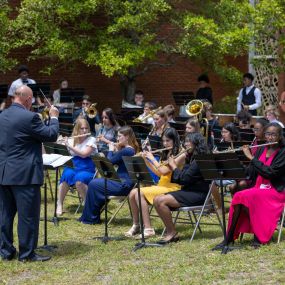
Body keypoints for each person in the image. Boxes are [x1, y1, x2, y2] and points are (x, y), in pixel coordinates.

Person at [0, 85, 59, 262]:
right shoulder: (30, 117)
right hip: (25, 174)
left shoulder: (2, 116)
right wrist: (54, 118)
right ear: (27, 99)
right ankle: (27, 254)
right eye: (31, 100)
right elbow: (50, 135)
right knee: (28, 216)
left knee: (5, 215)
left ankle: (6, 251)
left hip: (4, 172)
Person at [216, 123, 285, 252]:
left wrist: (251, 158)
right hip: (258, 188)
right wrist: (234, 160)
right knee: (238, 196)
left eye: (273, 134)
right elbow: (250, 172)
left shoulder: (282, 152)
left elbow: (270, 173)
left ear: (280, 136)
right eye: (267, 134)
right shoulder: (261, 150)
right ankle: (229, 238)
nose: (269, 137)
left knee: (246, 196)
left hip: (275, 191)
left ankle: (259, 235)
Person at [125, 128, 184, 238]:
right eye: (164, 141)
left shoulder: (181, 154)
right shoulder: (167, 152)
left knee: (139, 192)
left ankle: (148, 228)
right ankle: (136, 224)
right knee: (133, 193)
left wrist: (152, 158)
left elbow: (164, 171)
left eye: (168, 141)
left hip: (173, 187)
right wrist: (146, 160)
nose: (165, 143)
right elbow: (158, 173)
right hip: (162, 185)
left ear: (175, 140)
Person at [153, 132, 210, 243]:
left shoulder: (199, 160)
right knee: (156, 199)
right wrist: (172, 165)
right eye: (185, 141)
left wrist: (174, 166)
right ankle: (171, 231)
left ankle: (171, 233)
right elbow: (179, 179)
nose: (186, 144)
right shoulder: (190, 158)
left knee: (161, 201)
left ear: (196, 143)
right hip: (187, 191)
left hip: (198, 195)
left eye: (189, 142)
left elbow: (184, 179)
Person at [79, 126, 139, 224]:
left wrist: (111, 150)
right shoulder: (129, 150)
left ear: (127, 137)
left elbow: (109, 162)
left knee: (94, 184)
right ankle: (90, 216)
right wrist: (117, 150)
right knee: (94, 183)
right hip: (121, 181)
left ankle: (91, 218)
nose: (117, 139)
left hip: (123, 184)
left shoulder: (127, 150)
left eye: (120, 136)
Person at [56, 118, 98, 216]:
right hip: (73, 165)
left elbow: (84, 154)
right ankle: (59, 203)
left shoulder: (91, 139)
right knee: (66, 175)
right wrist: (61, 143)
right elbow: (64, 153)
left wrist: (69, 146)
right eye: (82, 129)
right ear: (77, 129)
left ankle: (88, 205)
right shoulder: (72, 139)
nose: (84, 131)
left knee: (79, 180)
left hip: (87, 167)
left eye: (86, 128)